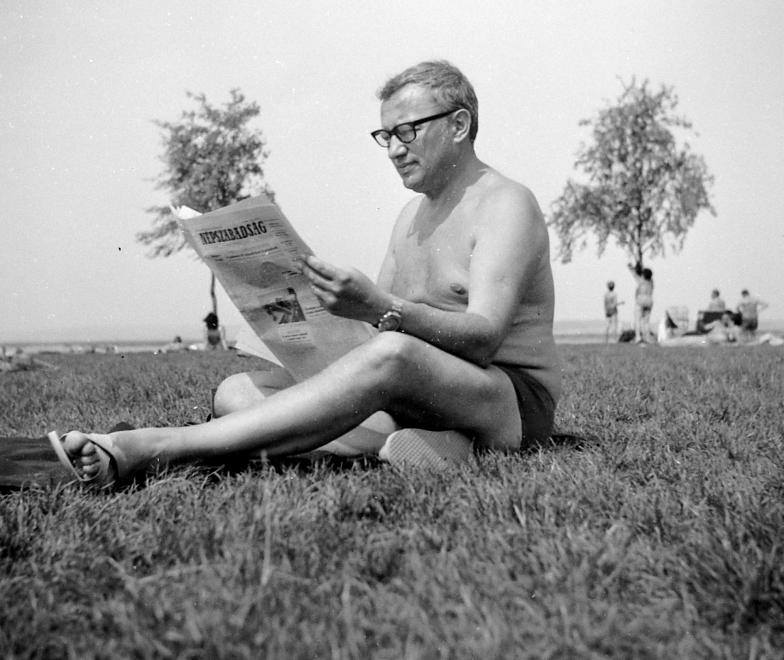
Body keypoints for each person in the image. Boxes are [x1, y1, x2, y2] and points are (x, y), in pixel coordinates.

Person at [52, 60, 561, 486]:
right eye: (385, 135)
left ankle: (152, 447)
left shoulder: (505, 204)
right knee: (236, 392)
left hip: (507, 402)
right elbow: (374, 333)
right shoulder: (411, 217)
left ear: (459, 125)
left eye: (408, 131)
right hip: (418, 396)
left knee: (393, 354)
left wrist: (377, 306)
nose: (394, 149)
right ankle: (434, 446)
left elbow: (484, 339)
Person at [628, 263, 654, 343]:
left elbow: (634, 275)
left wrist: (631, 268)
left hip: (641, 300)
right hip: (649, 300)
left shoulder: (641, 281)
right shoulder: (651, 282)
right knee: (646, 321)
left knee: (637, 320)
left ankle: (638, 337)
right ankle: (647, 337)